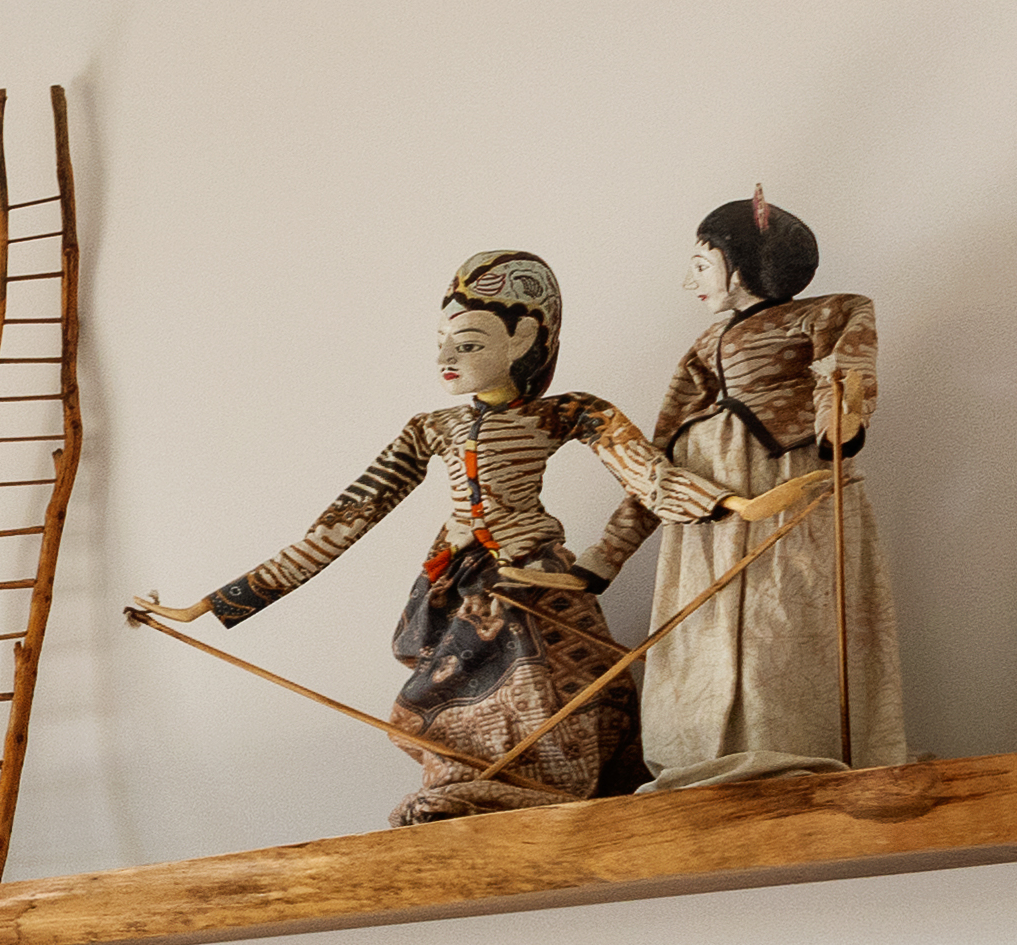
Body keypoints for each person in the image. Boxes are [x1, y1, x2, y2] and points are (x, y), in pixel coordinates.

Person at [131, 249, 733, 824]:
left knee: (560, 693)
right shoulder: (430, 428)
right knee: (441, 699)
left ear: (523, 338)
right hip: (452, 586)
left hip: (538, 580)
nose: (445, 355)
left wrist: (719, 506)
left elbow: (647, 476)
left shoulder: (570, 411)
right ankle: (479, 791)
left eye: (466, 343)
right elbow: (343, 521)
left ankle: (553, 795)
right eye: (441, 341)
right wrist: (214, 603)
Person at [592, 196, 903, 784]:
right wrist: (605, 555)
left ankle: (789, 750)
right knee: (701, 627)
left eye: (701, 265)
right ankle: (699, 758)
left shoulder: (832, 309)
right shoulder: (703, 345)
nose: (690, 282)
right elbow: (657, 452)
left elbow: (842, 373)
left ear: (741, 265)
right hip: (708, 502)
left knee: (780, 619)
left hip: (791, 480)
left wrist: (839, 422)